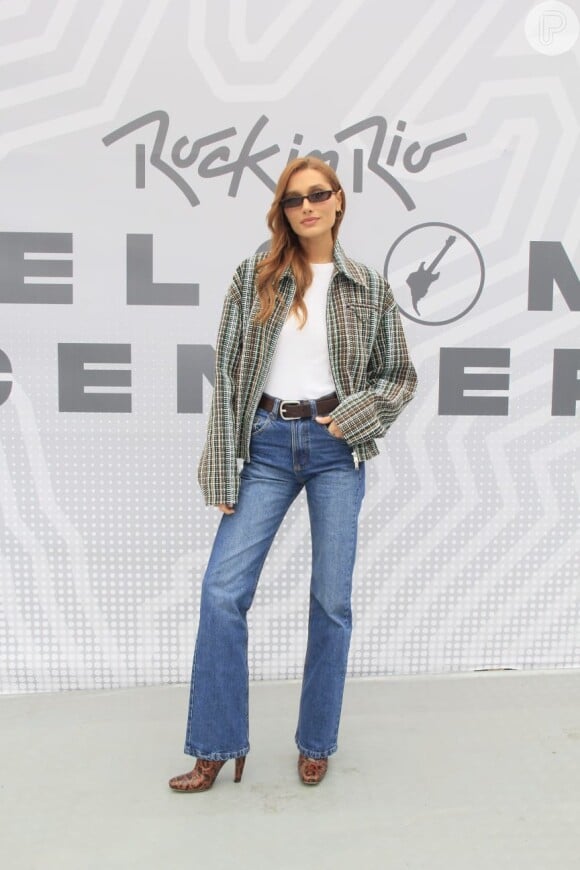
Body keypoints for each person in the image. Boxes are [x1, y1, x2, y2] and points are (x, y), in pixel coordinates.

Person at [168, 156, 417, 793]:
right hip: (267, 446)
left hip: (338, 450)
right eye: (291, 199)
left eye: (317, 195)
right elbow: (227, 378)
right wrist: (223, 469)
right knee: (223, 593)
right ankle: (217, 745)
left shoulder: (366, 287)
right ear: (282, 211)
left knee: (330, 602)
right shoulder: (256, 277)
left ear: (338, 202)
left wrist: (354, 416)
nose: (305, 207)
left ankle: (316, 741)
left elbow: (399, 378)